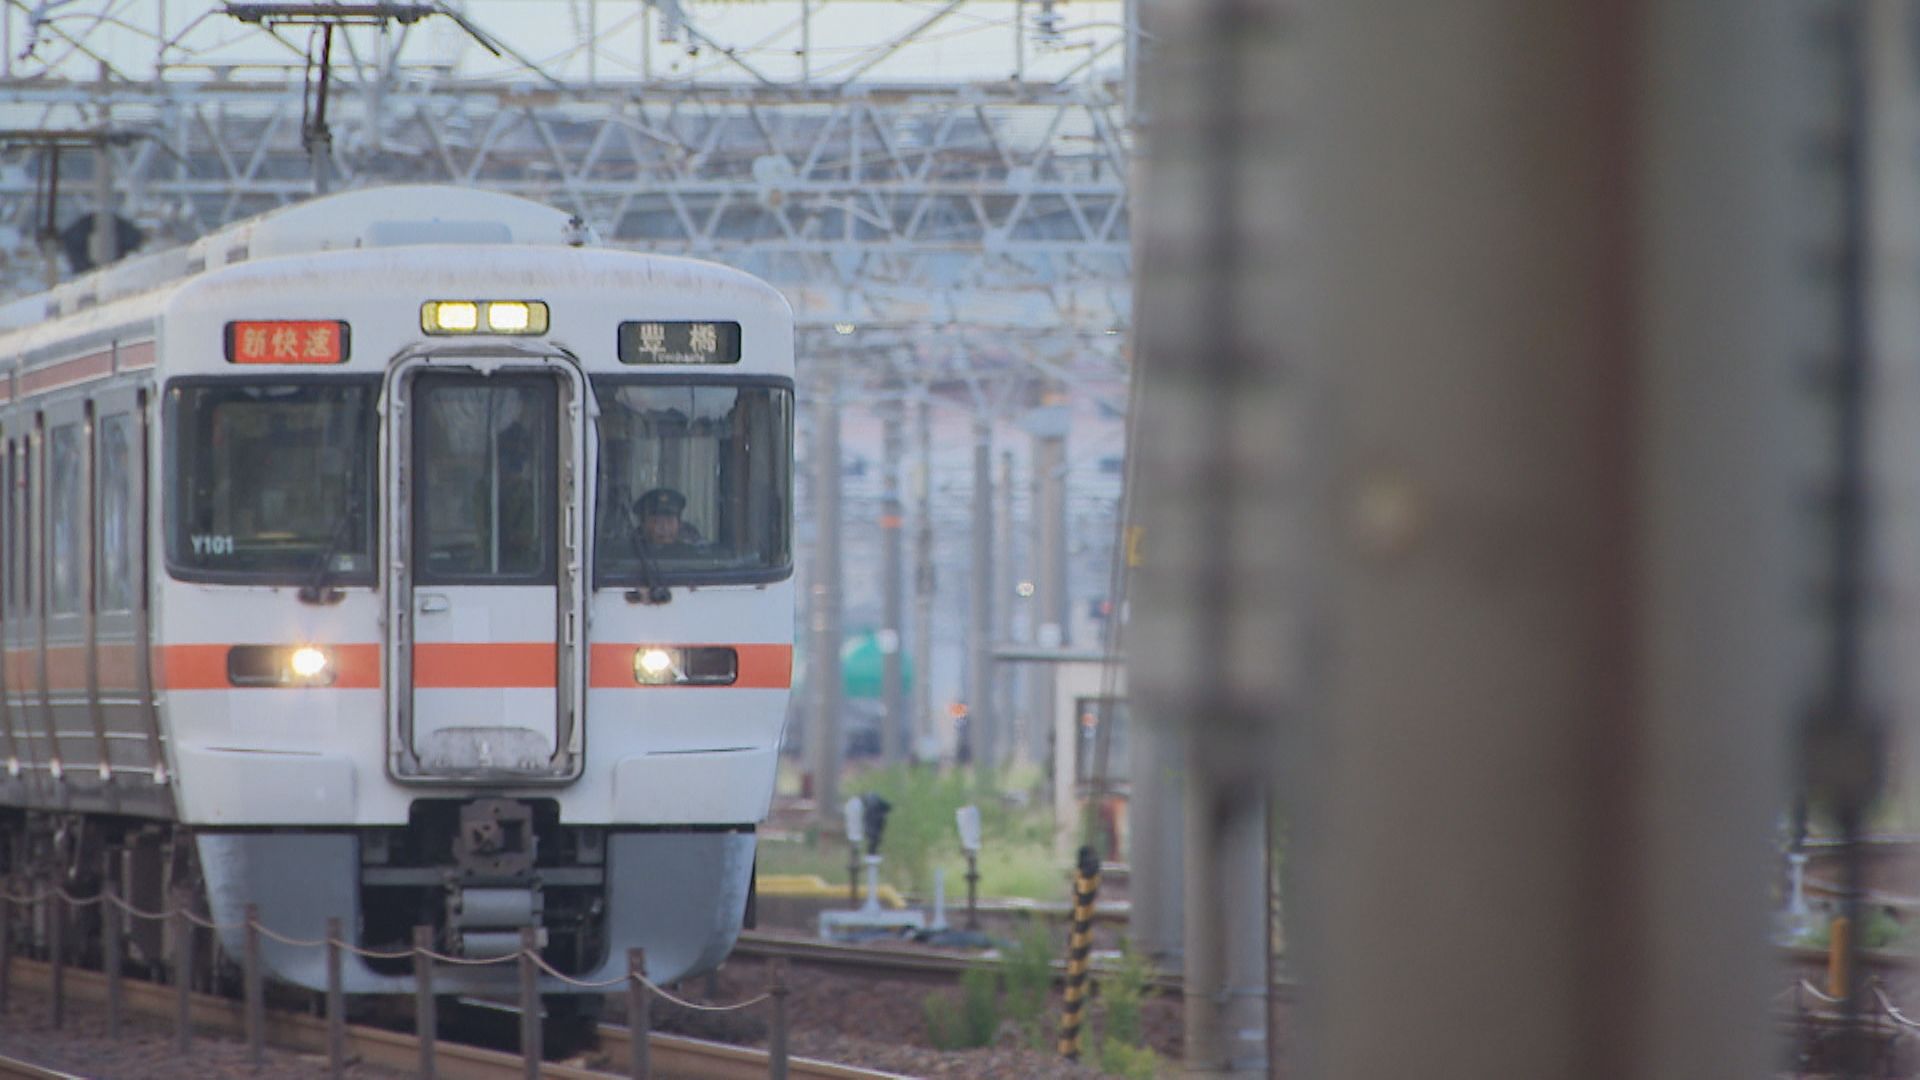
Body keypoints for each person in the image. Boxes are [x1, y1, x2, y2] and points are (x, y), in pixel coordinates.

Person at [634, 486, 702, 548]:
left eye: (670, 522)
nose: (665, 528)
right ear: (644, 524)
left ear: (679, 524)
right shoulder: (633, 549)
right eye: (657, 522)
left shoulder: (692, 550)